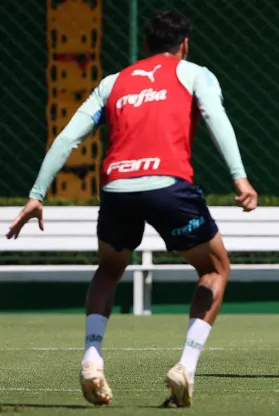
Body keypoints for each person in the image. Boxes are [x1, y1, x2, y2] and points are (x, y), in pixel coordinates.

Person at [5, 10, 258, 407]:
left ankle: (91, 358)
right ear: (185, 45)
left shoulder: (113, 83)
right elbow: (216, 117)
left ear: (144, 47)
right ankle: (186, 368)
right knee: (215, 268)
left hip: (117, 187)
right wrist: (239, 177)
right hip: (169, 185)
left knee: (109, 268)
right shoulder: (195, 73)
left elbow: (68, 136)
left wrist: (37, 194)